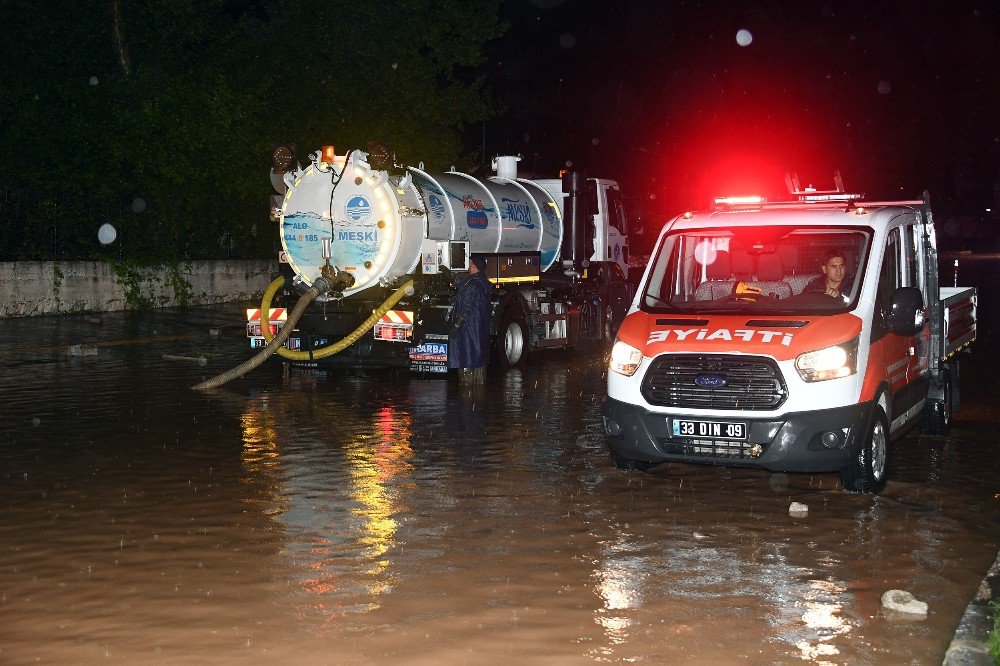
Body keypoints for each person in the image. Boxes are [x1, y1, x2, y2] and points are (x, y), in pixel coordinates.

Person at [448, 256, 492, 383]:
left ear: (473, 267)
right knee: (478, 363)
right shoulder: (481, 281)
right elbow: (463, 284)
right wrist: (450, 276)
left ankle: (467, 396)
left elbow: (466, 307)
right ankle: (478, 399)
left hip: (469, 331)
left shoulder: (472, 285)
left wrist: (457, 325)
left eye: (470, 264)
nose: (468, 266)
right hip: (478, 330)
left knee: (467, 361)